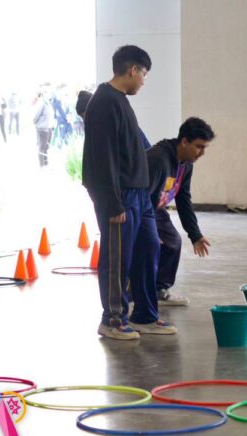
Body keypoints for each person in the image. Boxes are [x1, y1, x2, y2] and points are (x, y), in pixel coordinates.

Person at [82, 44, 177, 340]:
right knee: (118, 259)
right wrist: (112, 203)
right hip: (119, 197)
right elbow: (103, 159)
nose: (144, 81)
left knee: (149, 250)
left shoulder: (120, 100)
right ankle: (112, 319)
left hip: (140, 195)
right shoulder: (104, 102)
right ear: (133, 70)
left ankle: (145, 314)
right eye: (144, 74)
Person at [147, 117, 215, 305]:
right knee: (148, 247)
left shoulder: (186, 165)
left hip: (155, 208)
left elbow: (183, 199)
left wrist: (195, 234)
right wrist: (149, 231)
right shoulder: (158, 159)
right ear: (184, 141)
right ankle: (133, 296)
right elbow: (142, 198)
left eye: (205, 148)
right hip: (138, 209)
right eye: (199, 147)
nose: (202, 153)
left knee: (172, 242)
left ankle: (159, 290)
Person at [33, 85, 54, 167]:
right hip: (42, 128)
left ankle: (46, 163)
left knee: (46, 146)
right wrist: (38, 124)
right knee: (42, 146)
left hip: (49, 127)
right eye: (47, 92)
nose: (50, 94)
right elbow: (36, 115)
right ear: (44, 93)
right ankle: (42, 165)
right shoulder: (42, 102)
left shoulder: (48, 102)